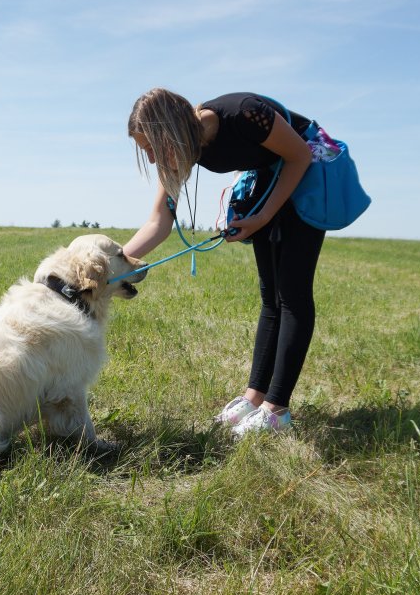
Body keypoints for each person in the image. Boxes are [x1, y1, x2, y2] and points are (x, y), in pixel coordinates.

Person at [123, 88, 325, 437]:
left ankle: (276, 410)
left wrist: (261, 218)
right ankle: (255, 397)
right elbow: (159, 221)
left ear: (170, 132)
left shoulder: (244, 113)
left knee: (291, 294)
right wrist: (118, 262)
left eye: (153, 148)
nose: (153, 160)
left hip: (305, 173)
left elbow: (299, 155)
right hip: (268, 183)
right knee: (271, 298)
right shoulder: (180, 152)